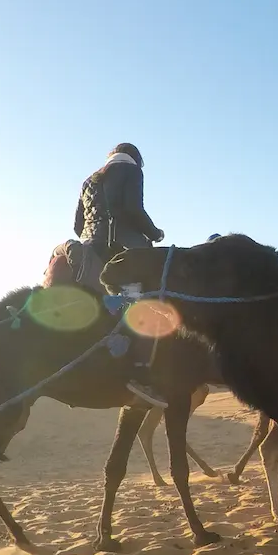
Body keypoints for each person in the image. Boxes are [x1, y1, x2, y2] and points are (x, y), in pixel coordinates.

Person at [74, 143, 167, 407]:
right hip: (123, 250)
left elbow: (77, 225)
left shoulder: (89, 180)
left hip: (90, 248)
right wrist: (155, 233)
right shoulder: (131, 171)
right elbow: (132, 209)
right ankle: (140, 373)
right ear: (137, 158)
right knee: (145, 304)